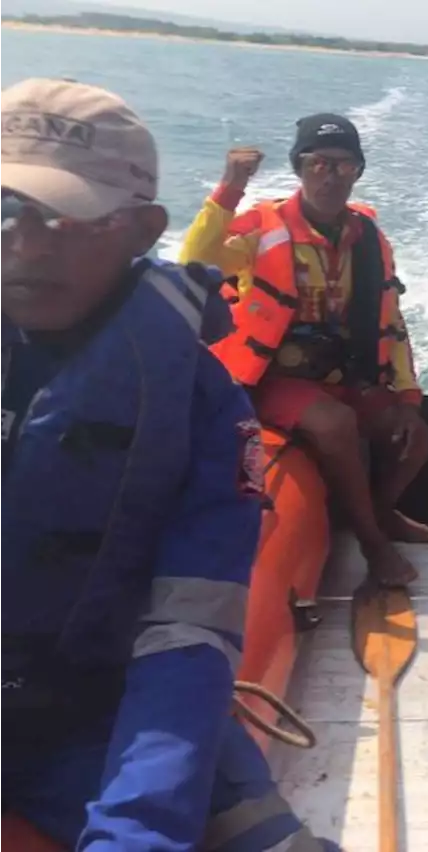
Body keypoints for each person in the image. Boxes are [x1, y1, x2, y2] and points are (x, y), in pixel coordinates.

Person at [0, 78, 335, 851]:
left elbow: (187, 635)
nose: (28, 243)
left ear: (141, 230)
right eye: (7, 211)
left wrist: (137, 830)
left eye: (69, 217)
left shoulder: (203, 412)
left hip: (92, 714)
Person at [179, 114, 428, 588]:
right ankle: (373, 544)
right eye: (319, 163)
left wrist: (408, 399)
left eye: (344, 165)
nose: (331, 176)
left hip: (344, 375)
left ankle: (382, 512)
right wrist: (230, 188)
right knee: (336, 426)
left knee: (415, 436)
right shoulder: (261, 227)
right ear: (299, 167)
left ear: (357, 172)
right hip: (273, 378)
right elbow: (195, 261)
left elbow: (392, 323)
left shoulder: (371, 240)